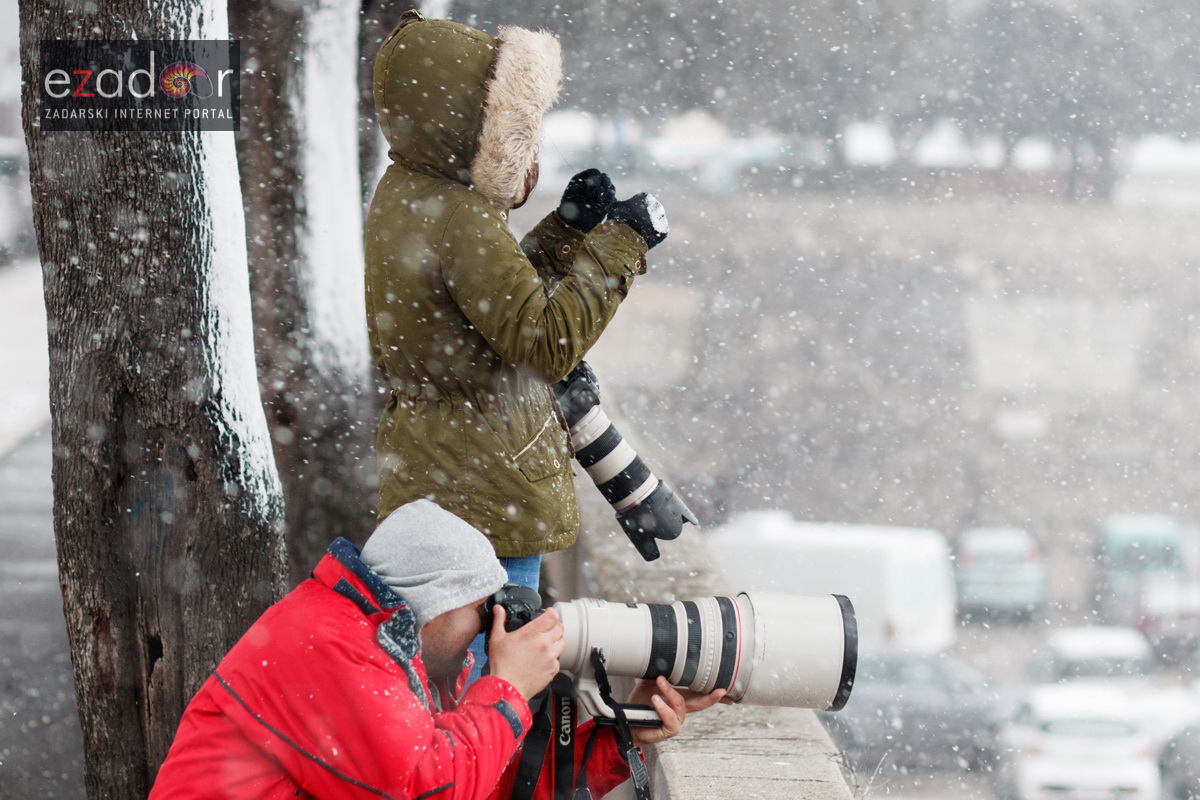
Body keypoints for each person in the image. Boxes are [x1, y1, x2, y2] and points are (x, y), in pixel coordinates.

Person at [363, 10, 671, 648]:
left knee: (449, 670)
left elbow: (488, 308)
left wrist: (565, 233)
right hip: (487, 481)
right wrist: (622, 242)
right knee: (494, 665)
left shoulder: (408, 192)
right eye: (514, 125)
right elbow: (543, 343)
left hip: (439, 468)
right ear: (472, 123)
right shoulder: (459, 215)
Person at [150, 500, 722, 799]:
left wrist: (621, 733)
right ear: (436, 603)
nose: (487, 627)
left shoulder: (399, 650)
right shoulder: (330, 643)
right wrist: (507, 691)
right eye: (480, 609)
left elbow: (487, 781)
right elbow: (426, 788)